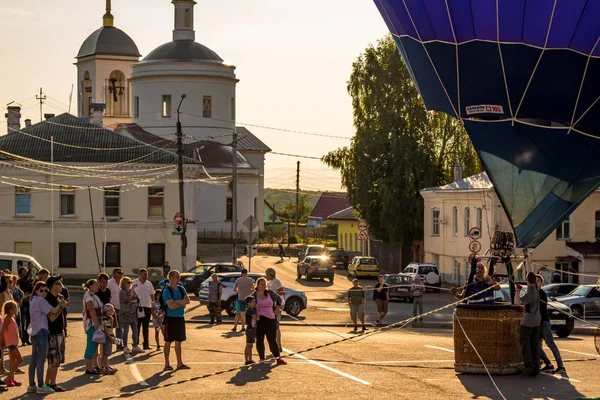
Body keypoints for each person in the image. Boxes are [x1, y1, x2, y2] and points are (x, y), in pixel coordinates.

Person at [28, 280, 66, 394]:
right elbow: (53, 311)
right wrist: (61, 304)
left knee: (34, 360)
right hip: (41, 332)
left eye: (46, 290)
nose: (44, 293)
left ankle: (32, 384)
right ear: (36, 291)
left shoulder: (34, 300)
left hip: (35, 332)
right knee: (41, 360)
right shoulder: (40, 300)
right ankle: (40, 385)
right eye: (41, 290)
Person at [251, 278, 286, 365]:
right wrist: (254, 311)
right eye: (261, 284)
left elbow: (279, 300)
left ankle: (278, 358)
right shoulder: (254, 295)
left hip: (270, 319)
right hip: (260, 320)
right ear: (257, 285)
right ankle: (261, 357)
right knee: (259, 340)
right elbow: (248, 303)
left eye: (264, 284)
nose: (263, 286)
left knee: (272, 339)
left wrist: (276, 309)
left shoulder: (270, 293)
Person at [536, 275, 566, 374]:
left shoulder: (541, 293)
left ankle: (560, 366)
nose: (536, 283)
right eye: (534, 281)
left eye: (538, 281)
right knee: (535, 345)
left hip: (543, 322)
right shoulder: (534, 293)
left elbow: (540, 307)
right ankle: (548, 364)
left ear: (541, 283)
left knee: (550, 343)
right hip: (537, 323)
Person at [514, 272, 541, 378]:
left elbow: (517, 302)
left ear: (527, 281)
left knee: (525, 343)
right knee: (535, 344)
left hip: (528, 322)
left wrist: (517, 291)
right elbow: (530, 273)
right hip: (537, 321)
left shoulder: (530, 293)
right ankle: (536, 365)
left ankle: (529, 365)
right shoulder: (536, 288)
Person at [162, 270, 190, 371]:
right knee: (168, 341)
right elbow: (171, 306)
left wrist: (177, 301)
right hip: (171, 318)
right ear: (171, 278)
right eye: (177, 277)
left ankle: (179, 363)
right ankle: (167, 363)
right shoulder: (167, 291)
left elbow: (187, 301)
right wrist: (181, 304)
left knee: (179, 341)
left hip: (180, 317)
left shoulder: (181, 289)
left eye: (179, 277)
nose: (179, 278)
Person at [44, 276, 68, 392]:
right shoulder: (49, 298)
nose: (61, 286)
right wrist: (61, 308)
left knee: (57, 361)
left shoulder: (57, 298)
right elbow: (52, 318)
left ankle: (49, 383)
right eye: (59, 283)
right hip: (52, 333)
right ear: (53, 285)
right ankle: (50, 383)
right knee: (53, 361)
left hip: (59, 332)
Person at [82, 279, 103, 375]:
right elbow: (90, 309)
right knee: (91, 345)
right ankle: (89, 368)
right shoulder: (88, 296)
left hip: (96, 322)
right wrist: (95, 323)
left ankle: (94, 366)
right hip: (91, 324)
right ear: (90, 286)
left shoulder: (94, 296)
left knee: (94, 345)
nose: (97, 286)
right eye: (95, 284)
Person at [119, 277, 143, 355]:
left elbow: (137, 299)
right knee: (125, 331)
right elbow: (128, 299)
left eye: (130, 282)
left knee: (135, 330)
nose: (130, 284)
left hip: (133, 314)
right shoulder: (122, 292)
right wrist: (132, 290)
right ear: (124, 283)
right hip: (125, 314)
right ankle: (125, 346)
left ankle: (135, 346)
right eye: (128, 282)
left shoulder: (130, 291)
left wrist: (133, 300)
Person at [2, 300, 23, 388]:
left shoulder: (12, 318)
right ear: (10, 309)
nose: (16, 309)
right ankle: (9, 377)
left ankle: (11, 379)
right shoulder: (7, 318)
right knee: (20, 359)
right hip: (11, 343)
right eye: (15, 308)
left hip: (14, 342)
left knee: (12, 361)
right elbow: (3, 331)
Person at [133, 269, 154, 350]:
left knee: (146, 327)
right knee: (136, 327)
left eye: (146, 274)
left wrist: (152, 304)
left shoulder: (149, 284)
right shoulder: (134, 283)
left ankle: (146, 344)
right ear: (139, 274)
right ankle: (136, 344)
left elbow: (152, 294)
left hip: (147, 308)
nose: (146, 276)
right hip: (137, 308)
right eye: (144, 274)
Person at [266, 268, 284, 352]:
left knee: (276, 326)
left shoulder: (276, 281)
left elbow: (282, 291)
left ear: (270, 274)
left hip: (278, 305)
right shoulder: (270, 282)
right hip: (272, 305)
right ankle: (275, 345)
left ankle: (279, 346)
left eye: (266, 274)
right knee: (272, 326)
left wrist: (273, 293)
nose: (266, 276)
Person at [107, 268, 124, 350]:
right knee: (109, 328)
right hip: (112, 308)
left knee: (119, 328)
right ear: (114, 273)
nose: (121, 274)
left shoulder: (122, 283)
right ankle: (107, 344)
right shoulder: (109, 283)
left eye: (122, 273)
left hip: (120, 308)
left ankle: (119, 345)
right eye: (119, 273)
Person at [17, 265, 33, 346]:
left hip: (29, 302)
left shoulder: (31, 281)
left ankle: (27, 338)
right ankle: (23, 340)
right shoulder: (20, 280)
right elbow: (25, 279)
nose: (26, 271)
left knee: (29, 321)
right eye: (24, 270)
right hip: (22, 303)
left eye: (27, 270)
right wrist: (30, 269)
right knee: (22, 321)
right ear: (20, 274)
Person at [100, 304, 117, 374]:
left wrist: (113, 335)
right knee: (106, 353)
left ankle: (103, 366)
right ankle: (106, 368)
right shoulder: (105, 319)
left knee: (106, 353)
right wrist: (110, 338)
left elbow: (111, 329)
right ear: (107, 311)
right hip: (106, 337)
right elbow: (106, 330)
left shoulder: (110, 318)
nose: (113, 311)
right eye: (111, 310)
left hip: (109, 336)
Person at [244, 295, 259, 365]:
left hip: (253, 328)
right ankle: (247, 359)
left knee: (251, 345)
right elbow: (257, 318)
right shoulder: (249, 310)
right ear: (248, 303)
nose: (254, 303)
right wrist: (258, 310)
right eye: (253, 302)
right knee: (248, 345)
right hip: (250, 329)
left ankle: (250, 359)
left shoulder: (252, 310)